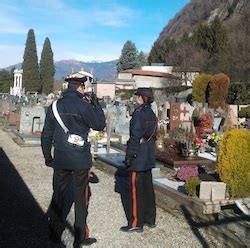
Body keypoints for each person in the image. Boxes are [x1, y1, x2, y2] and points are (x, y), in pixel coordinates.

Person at [41, 71, 105, 247]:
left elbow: (46, 134)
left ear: (68, 86)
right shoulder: (84, 106)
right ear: (81, 86)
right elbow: (99, 125)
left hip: (61, 156)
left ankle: (54, 232)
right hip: (80, 159)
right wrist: (96, 104)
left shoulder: (54, 106)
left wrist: (48, 156)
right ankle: (79, 237)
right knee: (80, 199)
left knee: (58, 195)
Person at [120, 87, 157, 233]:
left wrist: (129, 156)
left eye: (137, 97)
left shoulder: (139, 114)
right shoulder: (152, 113)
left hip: (139, 157)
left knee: (136, 191)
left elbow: (135, 137)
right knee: (148, 189)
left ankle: (136, 222)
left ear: (142, 98)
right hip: (148, 155)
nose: (136, 99)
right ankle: (150, 219)